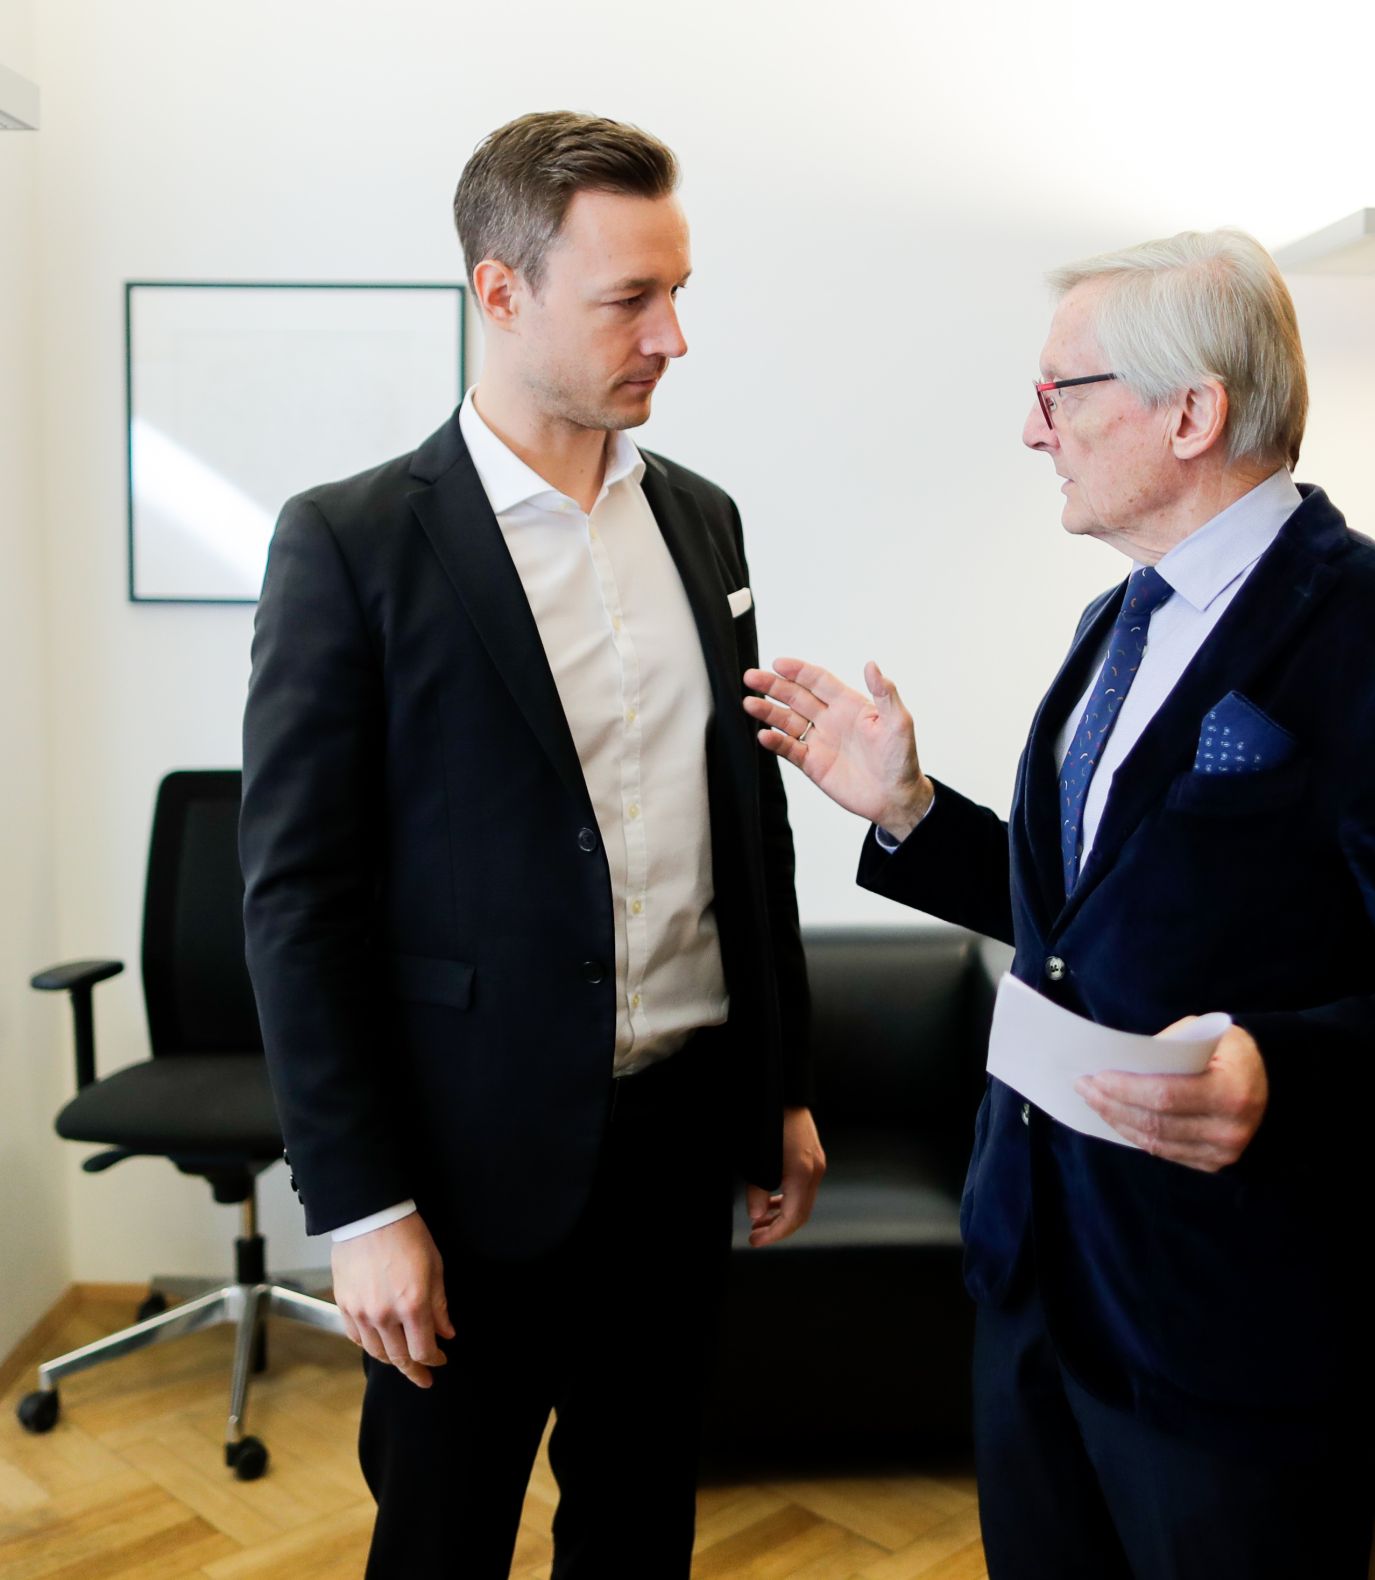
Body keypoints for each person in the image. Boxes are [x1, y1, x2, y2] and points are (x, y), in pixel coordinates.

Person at [742, 230, 1375, 1578]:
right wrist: (909, 811)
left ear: (1191, 413)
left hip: (1234, 1328)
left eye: (1060, 393)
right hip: (1038, 1285)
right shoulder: (1117, 622)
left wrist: (1276, 1073)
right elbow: (1087, 927)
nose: (1031, 430)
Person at [240, 110, 823, 1579]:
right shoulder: (351, 543)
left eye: (677, 291)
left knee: (640, 1530)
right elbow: (299, 904)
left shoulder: (704, 523)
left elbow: (746, 824)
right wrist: (362, 1205)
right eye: (632, 298)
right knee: (441, 1541)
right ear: (500, 292)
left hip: (676, 1148)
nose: (673, 335)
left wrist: (779, 1085)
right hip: (462, 1167)